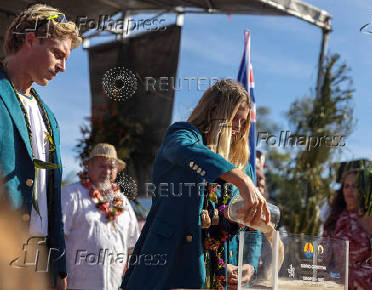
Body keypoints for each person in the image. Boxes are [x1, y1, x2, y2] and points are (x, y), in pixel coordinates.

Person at [121, 79, 270, 290]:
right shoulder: (182, 135)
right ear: (213, 111)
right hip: (168, 270)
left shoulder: (242, 164)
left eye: (243, 121)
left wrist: (249, 265)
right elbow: (185, 150)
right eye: (234, 118)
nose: (238, 128)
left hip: (223, 278)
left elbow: (253, 222)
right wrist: (240, 179)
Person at [0, 4, 81, 289]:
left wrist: (59, 269)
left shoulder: (51, 119)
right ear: (31, 40)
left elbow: (52, 196)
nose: (63, 67)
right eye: (58, 54)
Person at [61, 144, 139, 290]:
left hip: (116, 285)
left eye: (112, 167)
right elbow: (56, 240)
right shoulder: (71, 195)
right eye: (102, 166)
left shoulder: (123, 202)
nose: (107, 171)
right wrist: (59, 276)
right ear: (89, 166)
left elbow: (132, 245)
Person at [323, 167, 372, 290]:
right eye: (346, 186)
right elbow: (323, 259)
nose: (350, 190)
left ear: (364, 190)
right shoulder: (334, 220)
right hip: (336, 284)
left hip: (364, 285)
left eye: (355, 186)